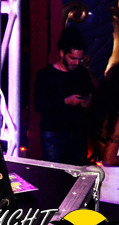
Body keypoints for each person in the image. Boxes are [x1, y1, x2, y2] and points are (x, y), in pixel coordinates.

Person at [33, 27, 95, 165]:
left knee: (77, 171)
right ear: (62, 53)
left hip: (77, 133)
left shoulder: (81, 73)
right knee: (54, 172)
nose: (76, 62)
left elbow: (90, 97)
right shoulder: (46, 75)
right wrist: (65, 101)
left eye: (79, 59)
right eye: (73, 58)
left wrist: (87, 103)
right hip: (53, 133)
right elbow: (39, 105)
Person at [90, 63, 119, 166]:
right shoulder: (117, 120)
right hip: (117, 174)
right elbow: (109, 160)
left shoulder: (104, 112)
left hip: (107, 172)